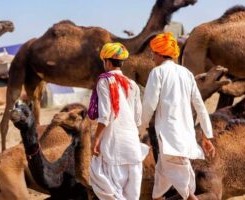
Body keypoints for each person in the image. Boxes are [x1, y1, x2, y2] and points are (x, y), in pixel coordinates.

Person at [140, 32, 216, 200]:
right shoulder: (186, 74)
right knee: (159, 187)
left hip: (169, 138)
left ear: (159, 53)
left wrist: (140, 128)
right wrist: (206, 135)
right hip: (184, 135)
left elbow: (149, 104)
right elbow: (200, 106)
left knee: (187, 191)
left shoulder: (157, 72)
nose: (152, 56)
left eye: (153, 52)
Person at [88, 42, 149, 200]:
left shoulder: (105, 81)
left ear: (107, 62)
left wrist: (96, 139)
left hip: (114, 145)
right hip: (133, 147)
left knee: (105, 185)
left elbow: (105, 115)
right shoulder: (133, 85)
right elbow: (137, 118)